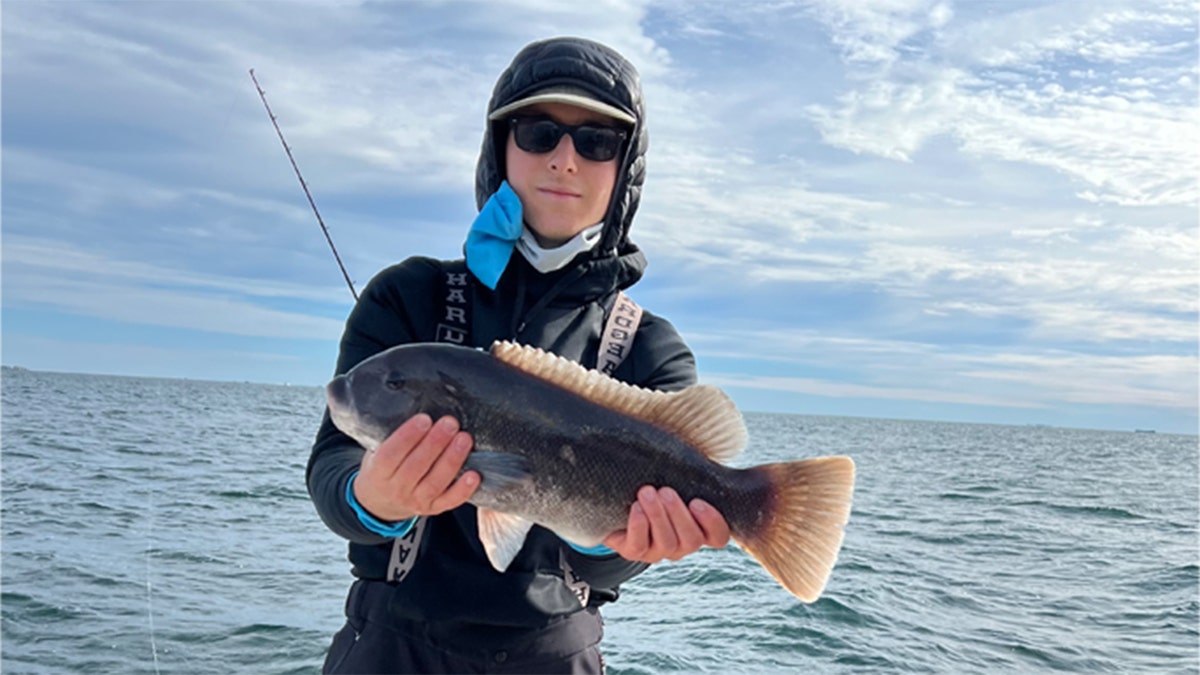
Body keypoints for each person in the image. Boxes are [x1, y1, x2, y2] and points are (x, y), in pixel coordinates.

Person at [307, 36, 730, 674]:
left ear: (626, 168)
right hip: (390, 646)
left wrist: (631, 546)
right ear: (499, 147)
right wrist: (373, 497)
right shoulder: (407, 297)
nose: (565, 160)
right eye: (538, 133)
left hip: (555, 655)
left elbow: (611, 565)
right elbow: (332, 469)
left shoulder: (650, 349)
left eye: (597, 142)